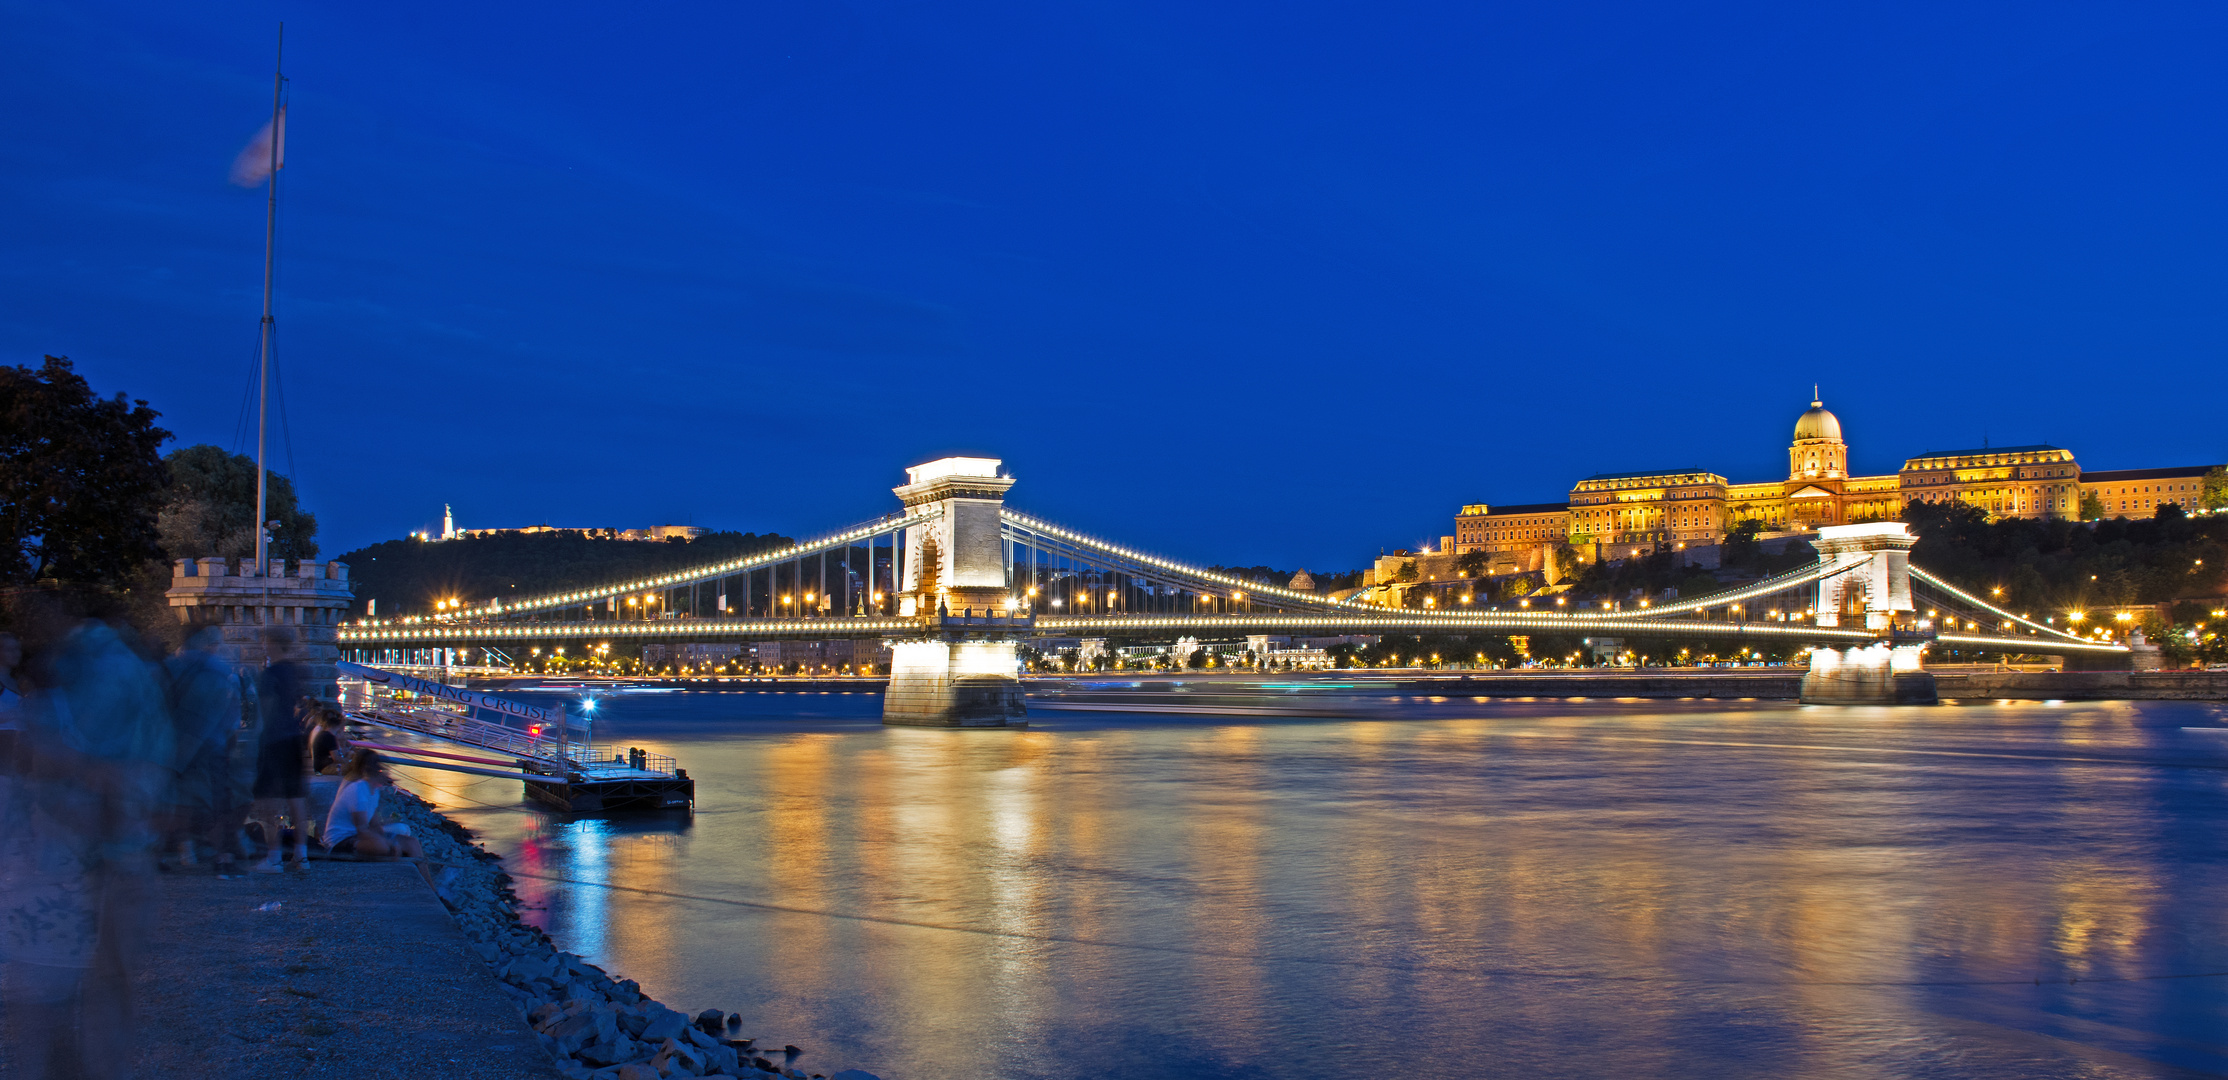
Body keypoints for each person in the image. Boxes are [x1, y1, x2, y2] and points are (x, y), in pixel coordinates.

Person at [165, 623, 245, 875]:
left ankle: (183, 848)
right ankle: (223, 856)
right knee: (220, 800)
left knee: (176, 800)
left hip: (177, 746)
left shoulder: (172, 667)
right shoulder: (219, 670)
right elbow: (232, 712)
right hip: (213, 745)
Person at [249, 626, 311, 874]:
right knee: (296, 798)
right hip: (296, 740)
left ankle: (273, 858)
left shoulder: (270, 674)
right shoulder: (296, 672)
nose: (264, 646)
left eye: (267, 642)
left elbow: (263, 712)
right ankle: (301, 856)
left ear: (274, 644)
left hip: (275, 741)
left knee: (270, 800)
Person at [322, 749, 431, 883]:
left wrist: (392, 840)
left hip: (357, 836)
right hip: (340, 841)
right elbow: (362, 829)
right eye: (381, 770)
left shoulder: (373, 790)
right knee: (382, 846)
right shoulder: (358, 789)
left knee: (412, 843)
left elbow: (374, 825)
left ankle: (431, 888)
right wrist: (390, 843)